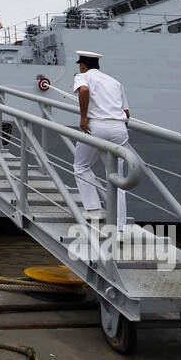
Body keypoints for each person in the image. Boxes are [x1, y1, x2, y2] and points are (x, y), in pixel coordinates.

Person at [72, 51, 132, 233]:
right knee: (117, 178)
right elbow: (127, 113)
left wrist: (83, 117)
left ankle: (93, 209)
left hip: (96, 127)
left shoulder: (82, 77)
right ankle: (120, 228)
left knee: (81, 166)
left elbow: (83, 90)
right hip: (119, 128)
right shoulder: (115, 82)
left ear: (82, 65)